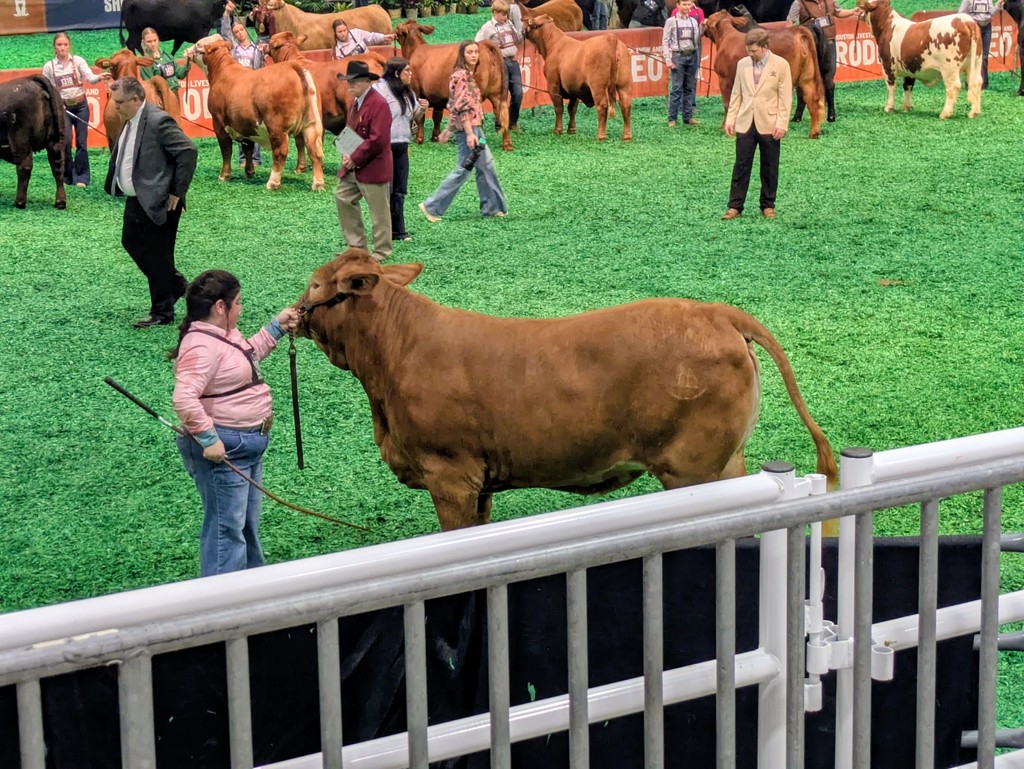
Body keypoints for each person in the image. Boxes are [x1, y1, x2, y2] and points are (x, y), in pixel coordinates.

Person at [171, 269, 300, 577]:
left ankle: (251, 592)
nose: (241, 309)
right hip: (226, 447)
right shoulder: (200, 346)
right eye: (238, 302)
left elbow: (244, 358)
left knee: (242, 526)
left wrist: (276, 328)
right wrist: (208, 439)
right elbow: (184, 398)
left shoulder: (223, 333)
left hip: (244, 446)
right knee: (226, 531)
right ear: (220, 307)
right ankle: (223, 600)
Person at [104, 77, 197, 327]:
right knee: (131, 242)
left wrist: (177, 191)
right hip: (137, 198)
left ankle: (162, 312)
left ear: (136, 100)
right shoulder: (130, 119)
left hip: (161, 200)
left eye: (120, 102)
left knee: (158, 254)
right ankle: (175, 285)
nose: (115, 107)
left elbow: (188, 152)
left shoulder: (158, 120)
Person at [419, 41, 508, 222]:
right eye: (469, 52)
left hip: (476, 130)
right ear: (462, 55)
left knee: (486, 165)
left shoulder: (468, 76)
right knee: (463, 169)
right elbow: (462, 106)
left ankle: (491, 207)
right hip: (471, 130)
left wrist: (448, 130)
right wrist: (469, 133)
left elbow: (454, 106)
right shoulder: (462, 77)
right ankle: (431, 206)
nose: (474, 55)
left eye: (476, 52)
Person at [722, 29, 792, 221]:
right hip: (745, 122)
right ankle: (735, 206)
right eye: (748, 50)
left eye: (753, 50)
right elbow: (736, 93)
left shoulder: (781, 65)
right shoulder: (742, 64)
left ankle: (768, 205)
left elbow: (785, 97)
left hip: (770, 123)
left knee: (769, 166)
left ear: (764, 47)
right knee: (741, 165)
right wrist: (730, 119)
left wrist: (782, 123)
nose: (750, 54)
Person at [336, 60, 394, 262]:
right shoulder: (356, 103)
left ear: (367, 81)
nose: (350, 84)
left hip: (373, 166)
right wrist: (346, 152)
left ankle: (382, 251)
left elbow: (378, 140)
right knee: (343, 197)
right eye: (349, 81)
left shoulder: (378, 104)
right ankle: (356, 247)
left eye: (355, 81)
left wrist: (354, 156)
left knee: (379, 212)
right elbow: (350, 131)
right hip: (356, 164)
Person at [41, 32, 111, 188]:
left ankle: (82, 177)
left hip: (81, 107)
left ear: (69, 46)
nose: (62, 48)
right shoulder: (49, 67)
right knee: (65, 142)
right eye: (59, 45)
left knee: (81, 142)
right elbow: (46, 90)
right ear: (54, 47)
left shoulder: (78, 61)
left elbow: (90, 78)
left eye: (65, 44)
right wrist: (56, 104)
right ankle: (68, 176)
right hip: (63, 109)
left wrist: (100, 77)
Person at [373, 57, 427, 243]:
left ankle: (397, 230)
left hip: (401, 145)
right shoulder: (378, 90)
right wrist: (347, 149)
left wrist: (422, 110)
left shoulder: (407, 92)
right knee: (383, 191)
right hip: (383, 147)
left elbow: (413, 117)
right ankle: (383, 230)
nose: (411, 74)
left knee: (399, 190)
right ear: (396, 73)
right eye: (407, 71)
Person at [787, 0, 862, 122]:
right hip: (809, 46)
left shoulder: (830, 1)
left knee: (829, 76)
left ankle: (831, 111)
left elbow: (838, 12)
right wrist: (794, 40)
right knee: (804, 78)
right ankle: (799, 113)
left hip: (829, 43)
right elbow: (790, 22)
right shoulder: (798, 3)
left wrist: (853, 12)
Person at [223, 18, 266, 167]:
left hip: (253, 88)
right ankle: (243, 158)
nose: (240, 33)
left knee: (256, 124)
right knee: (241, 124)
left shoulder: (256, 49)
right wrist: (226, 14)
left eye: (241, 30)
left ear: (246, 31)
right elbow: (225, 33)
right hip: (239, 89)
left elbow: (261, 67)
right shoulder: (233, 50)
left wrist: (264, 52)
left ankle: (255, 159)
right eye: (236, 32)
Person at [476, 0, 524, 132]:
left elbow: (518, 40)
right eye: (503, 14)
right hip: (499, 64)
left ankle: (512, 122)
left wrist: (523, 31)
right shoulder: (487, 27)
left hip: (513, 61)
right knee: (501, 94)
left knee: (518, 94)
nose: (505, 17)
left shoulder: (509, 24)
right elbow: (477, 44)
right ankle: (500, 125)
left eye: (506, 14)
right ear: (495, 13)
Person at [662, 0, 701, 126]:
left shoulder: (693, 21)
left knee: (689, 88)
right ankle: (672, 118)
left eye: (689, 4)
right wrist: (668, 59)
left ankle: (687, 117)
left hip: (692, 55)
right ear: (678, 5)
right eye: (684, 4)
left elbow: (697, 39)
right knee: (676, 88)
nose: (687, 7)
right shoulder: (671, 21)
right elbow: (665, 41)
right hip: (678, 55)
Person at [958, 0, 1001, 89]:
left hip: (987, 26)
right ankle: (969, 82)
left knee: (984, 56)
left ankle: (983, 83)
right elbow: (961, 14)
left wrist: (998, 4)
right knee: (972, 56)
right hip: (974, 27)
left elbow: (991, 12)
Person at [139, 28, 193, 96]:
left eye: (155, 40)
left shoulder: (166, 55)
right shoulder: (145, 63)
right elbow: (150, 87)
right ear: (143, 42)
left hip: (175, 94)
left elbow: (180, 74)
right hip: (160, 97)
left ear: (158, 39)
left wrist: (188, 61)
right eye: (149, 42)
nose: (153, 44)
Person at [331, 18, 395, 59]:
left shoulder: (356, 33)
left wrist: (384, 37)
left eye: (344, 30)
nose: (343, 33)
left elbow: (371, 37)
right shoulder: (337, 51)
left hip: (370, 63)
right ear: (335, 33)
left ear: (347, 28)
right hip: (354, 74)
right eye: (340, 32)